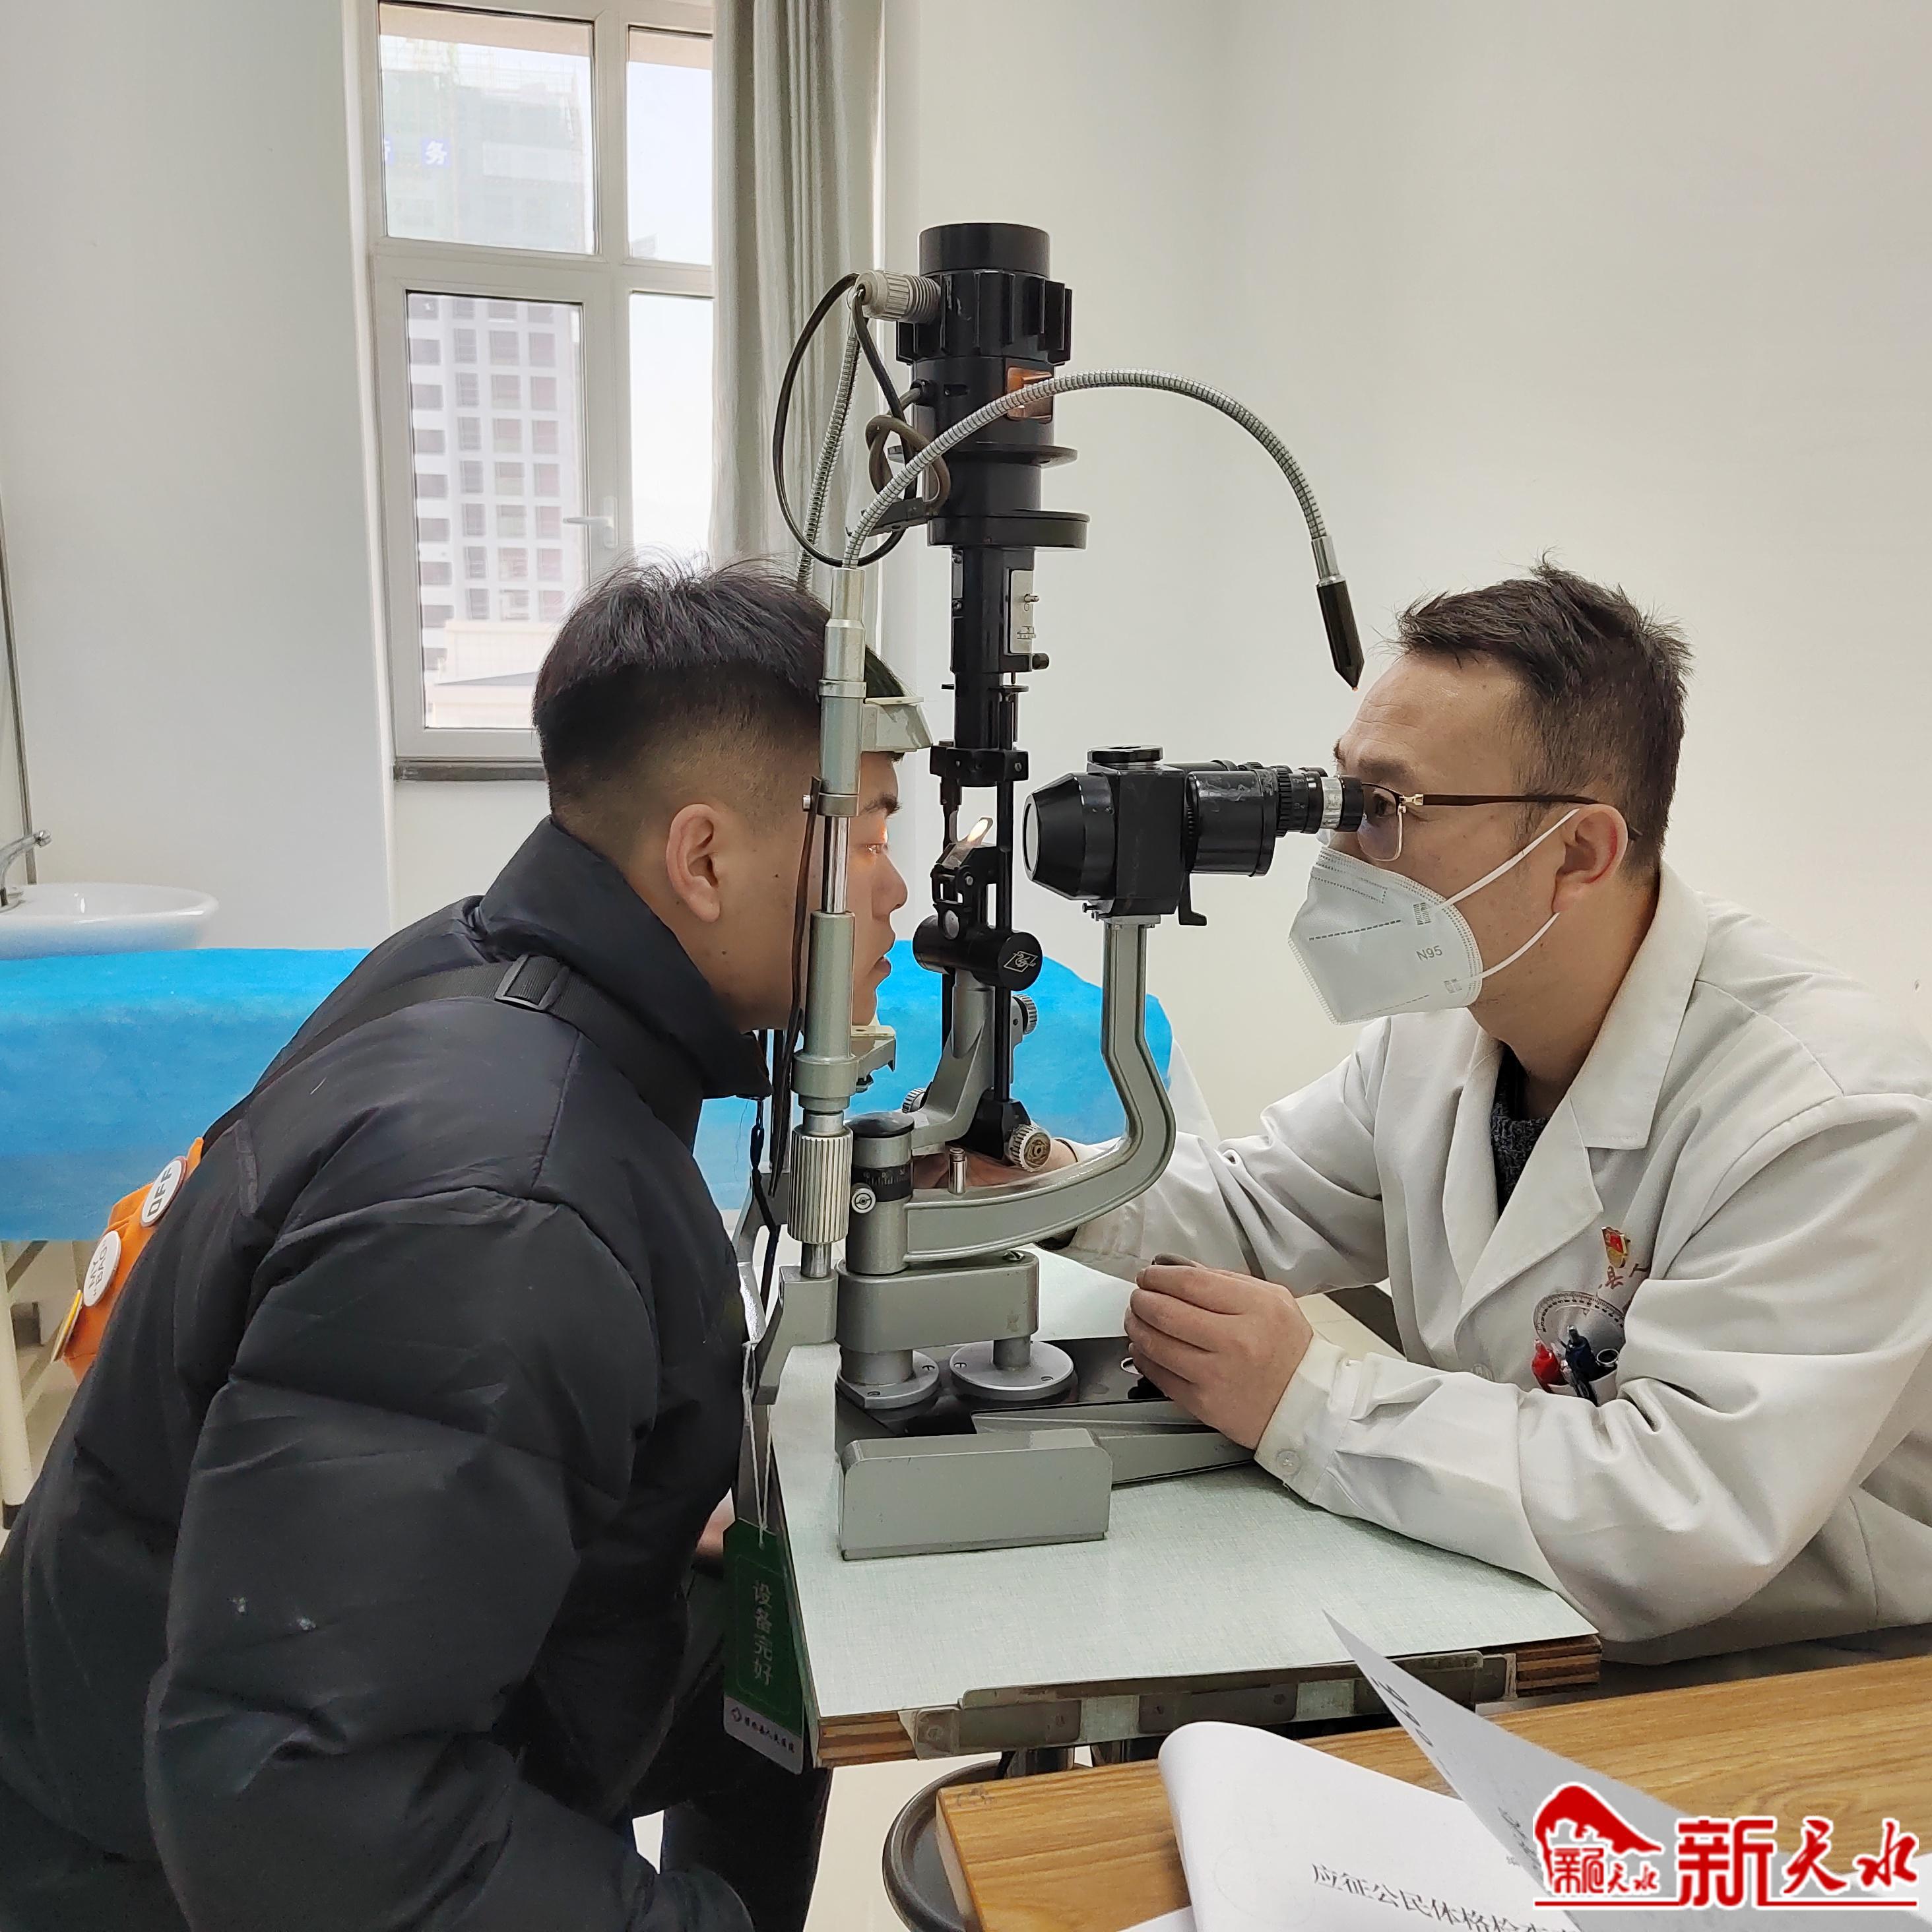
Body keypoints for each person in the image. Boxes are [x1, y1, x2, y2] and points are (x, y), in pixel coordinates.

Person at [0, 562, 909, 1931]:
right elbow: (301, 1810)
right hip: (156, 1861)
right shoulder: (503, 1210)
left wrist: (648, 1505)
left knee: (773, 1650)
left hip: (210, 1677)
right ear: (706, 859)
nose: (895, 890)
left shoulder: (482, 962)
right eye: (870, 833)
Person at [1049, 562, 1932, 1661]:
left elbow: (1680, 1509)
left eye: (1386, 810)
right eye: (1338, 798)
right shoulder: (1452, 1018)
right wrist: (1040, 1180)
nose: (1338, 854)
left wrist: (1310, 1397)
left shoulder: (1832, 1117)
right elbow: (1262, 1206)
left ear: (1578, 853)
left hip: (1792, 1678)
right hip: (1513, 1614)